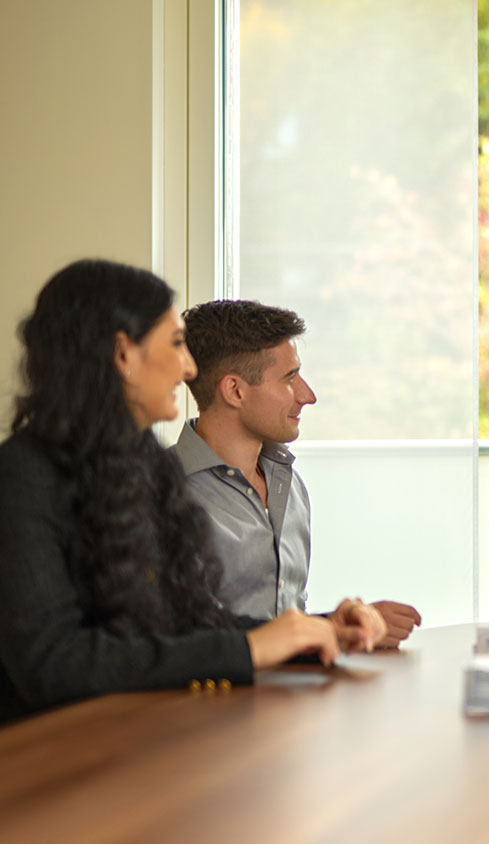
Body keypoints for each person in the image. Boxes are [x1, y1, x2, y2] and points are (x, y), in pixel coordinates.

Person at [0, 260, 386, 723]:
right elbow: (52, 664)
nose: (187, 368)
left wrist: (314, 633)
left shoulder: (145, 465)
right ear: (123, 355)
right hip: (50, 754)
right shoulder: (20, 476)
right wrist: (248, 651)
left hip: (133, 739)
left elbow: (189, 621)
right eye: (175, 343)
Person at [173, 300, 421, 647]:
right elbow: (180, 638)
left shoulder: (287, 484)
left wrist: (343, 629)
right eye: (290, 378)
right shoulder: (162, 493)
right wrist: (330, 629)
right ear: (235, 391)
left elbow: (282, 625)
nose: (308, 395)